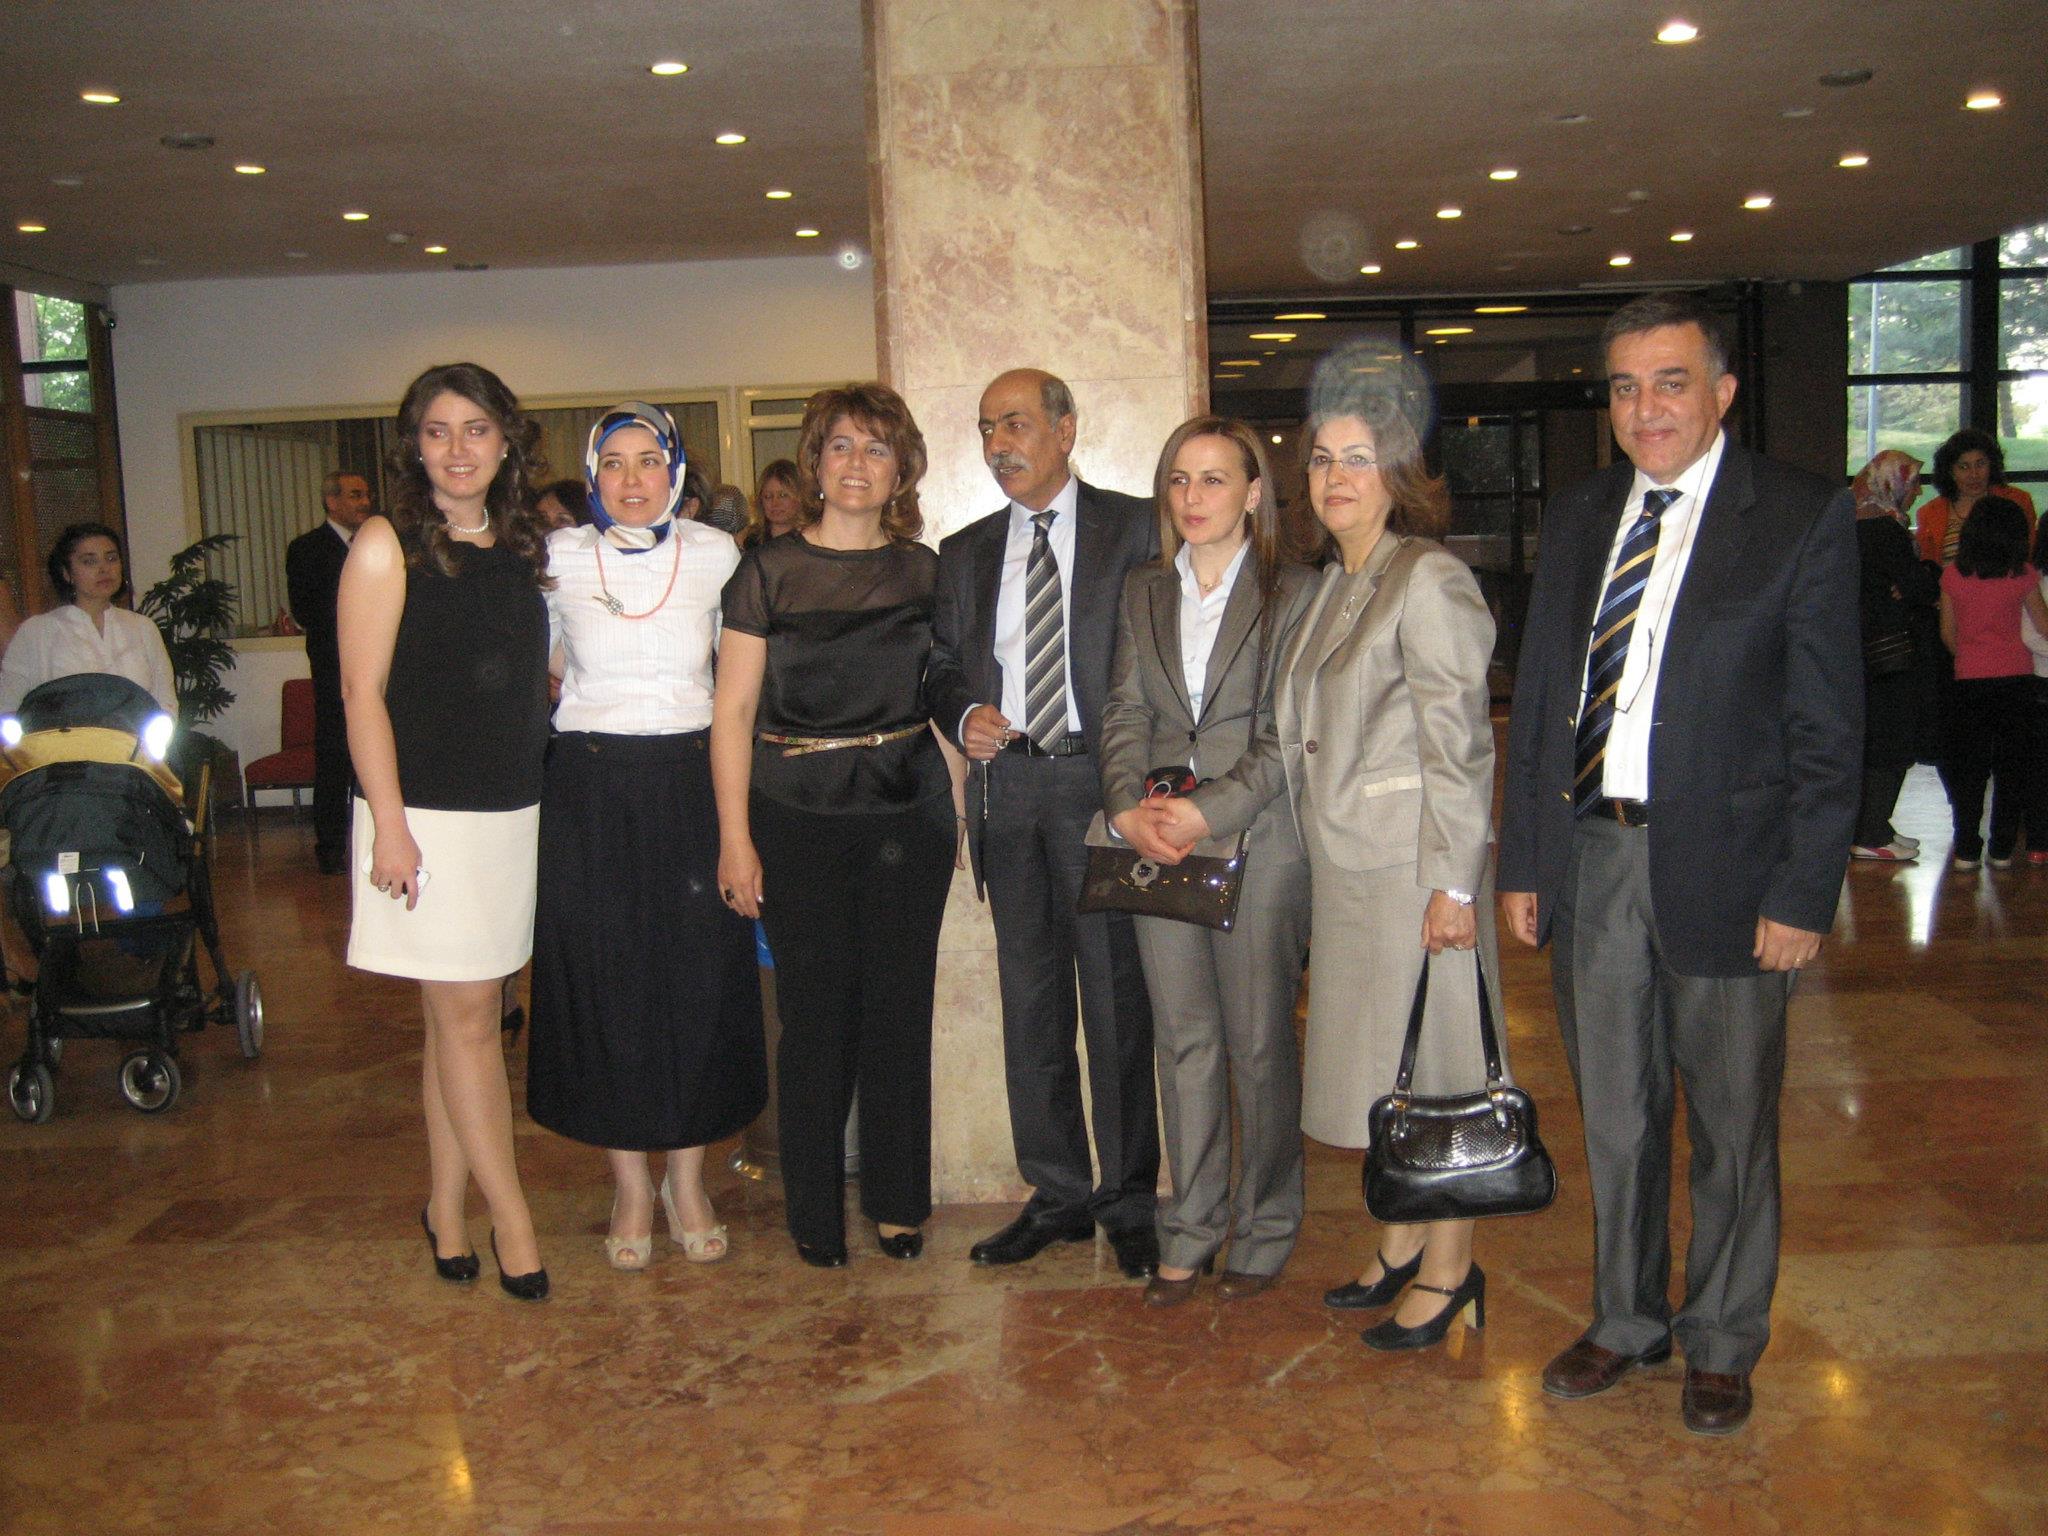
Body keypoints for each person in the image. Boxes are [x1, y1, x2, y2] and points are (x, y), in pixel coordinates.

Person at [1499, 292, 1861, 1435]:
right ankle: (1625, 1318)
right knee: (1615, 1113)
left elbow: (1827, 729)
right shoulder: (1578, 513)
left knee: (1730, 1124)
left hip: (1732, 872)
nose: (1644, 408)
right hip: (1593, 857)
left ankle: (1719, 1335)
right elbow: (1543, 698)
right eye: (1623, 387)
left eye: (1668, 382)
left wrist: (1802, 892)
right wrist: (1526, 861)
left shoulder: (1794, 513)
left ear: (1721, 391)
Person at [1273, 353, 1504, 1351]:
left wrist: (1455, 883)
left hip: (1414, 871)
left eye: (1358, 459)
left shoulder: (1429, 578)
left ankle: (1451, 1268)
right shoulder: (1334, 583)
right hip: (1349, 870)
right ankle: (1403, 1239)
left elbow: (1460, 743)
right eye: (1322, 459)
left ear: (1398, 474)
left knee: (1440, 1071)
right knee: (1388, 1070)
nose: (1335, 478)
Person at [712, 383, 954, 1268]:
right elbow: (732, 714)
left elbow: (944, 696)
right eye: (842, 445)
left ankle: (898, 1202)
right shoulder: (766, 572)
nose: (858, 464)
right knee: (814, 1022)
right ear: (815, 461)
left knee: (900, 1014)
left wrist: (966, 813)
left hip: (909, 814)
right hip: (795, 819)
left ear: (902, 469)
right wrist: (734, 838)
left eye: (877, 448)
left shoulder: (925, 572)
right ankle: (812, 1208)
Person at [927, 368, 1162, 1280]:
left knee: (1117, 1003)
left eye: (1016, 424)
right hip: (1011, 790)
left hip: (1106, 790)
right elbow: (940, 664)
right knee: (1030, 1004)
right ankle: (1057, 1193)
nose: (998, 445)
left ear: (1066, 430)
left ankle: (1129, 1198)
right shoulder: (964, 550)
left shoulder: (1137, 527)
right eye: (988, 428)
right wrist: (962, 713)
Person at [526, 403, 766, 1270]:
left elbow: (739, 678)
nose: (632, 479)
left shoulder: (717, 555)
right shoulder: (555, 557)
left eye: (648, 461)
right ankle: (630, 1183)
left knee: (699, 980)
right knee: (608, 982)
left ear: (676, 471)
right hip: (589, 788)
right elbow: (546, 661)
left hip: (693, 782)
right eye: (615, 463)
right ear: (593, 475)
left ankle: (687, 1180)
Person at [338, 362, 554, 1302]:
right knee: (473, 1022)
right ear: (414, 446)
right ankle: (514, 1221)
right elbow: (361, 695)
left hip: (509, 811)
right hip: (423, 817)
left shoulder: (522, 544)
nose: (457, 449)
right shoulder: (386, 544)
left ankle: (446, 1209)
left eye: (475, 429)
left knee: (454, 1022)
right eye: (438, 431)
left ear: (505, 442)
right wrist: (389, 826)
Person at [1098, 416, 1314, 1306]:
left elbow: (1289, 731)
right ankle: (1188, 1227)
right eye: (1179, 480)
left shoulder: (1295, 590)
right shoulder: (1145, 588)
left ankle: (1264, 1226)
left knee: (1258, 1046)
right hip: (1156, 840)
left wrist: (1206, 809)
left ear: (1254, 493)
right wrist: (1126, 809)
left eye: (1214, 479)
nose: (1192, 497)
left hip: (1257, 839)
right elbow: (1124, 709)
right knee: (1184, 1042)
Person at [1938, 494, 2048, 870]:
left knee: (1970, 767)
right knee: (2011, 766)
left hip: (1969, 679)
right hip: (2017, 679)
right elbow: (2043, 625)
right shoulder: (2023, 575)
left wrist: (1970, 657)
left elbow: (1948, 633)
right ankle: (2001, 848)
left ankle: (1967, 848)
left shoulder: (1953, 576)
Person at [1844, 451, 1938, 861]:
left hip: (1868, 653)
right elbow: (1919, 587)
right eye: (1912, 483)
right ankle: (1871, 832)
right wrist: (1929, 575)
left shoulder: (1854, 524)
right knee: (1892, 741)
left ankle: (1875, 825)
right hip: (1892, 653)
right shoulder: (1884, 529)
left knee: (1879, 741)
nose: (1917, 492)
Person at [287, 471, 377, 874]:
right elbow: (306, 611)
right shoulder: (306, 549)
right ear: (332, 501)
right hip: (333, 672)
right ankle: (331, 848)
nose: (365, 502)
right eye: (355, 495)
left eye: (366, 495)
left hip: (380, 668)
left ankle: (377, 839)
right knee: (335, 758)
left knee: (377, 755)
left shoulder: (379, 543)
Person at [0, 522, 176, 715]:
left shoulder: (143, 627)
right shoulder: (36, 631)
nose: (104, 569)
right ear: (67, 573)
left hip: (135, 734)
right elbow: (7, 705)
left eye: (111, 558)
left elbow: (165, 702)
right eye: (89, 561)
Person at [1915, 428, 2036, 566]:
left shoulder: (2017, 501)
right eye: (1964, 467)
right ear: (1950, 472)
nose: (1974, 474)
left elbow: (2028, 555)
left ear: (1992, 465)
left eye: (1980, 464)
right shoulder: (1929, 513)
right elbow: (1928, 566)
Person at [2023, 516, 2048, 864]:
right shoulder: (2036, 582)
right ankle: (2039, 840)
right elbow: (2029, 635)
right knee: (2041, 766)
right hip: (2042, 681)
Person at [747, 458, 803, 545]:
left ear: (799, 497)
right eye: (768, 497)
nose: (775, 503)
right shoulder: (751, 543)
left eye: (783, 495)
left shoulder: (812, 541)